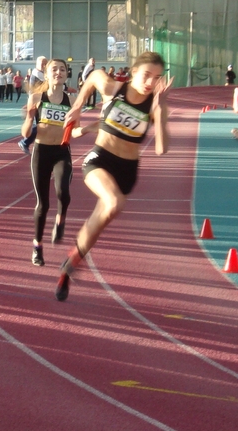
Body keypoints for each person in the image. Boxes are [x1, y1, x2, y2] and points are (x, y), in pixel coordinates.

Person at [56, 52, 172, 301]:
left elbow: (161, 149)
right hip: (100, 160)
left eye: (157, 78)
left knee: (99, 220)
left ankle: (71, 262)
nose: (150, 82)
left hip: (127, 171)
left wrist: (160, 110)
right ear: (133, 72)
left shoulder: (155, 104)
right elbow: (92, 78)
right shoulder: (114, 88)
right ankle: (72, 262)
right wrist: (77, 107)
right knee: (113, 202)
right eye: (146, 75)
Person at [21, 59, 75, 267]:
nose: (58, 72)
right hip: (41, 151)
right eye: (54, 69)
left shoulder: (72, 100)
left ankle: (61, 219)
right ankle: (37, 246)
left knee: (63, 192)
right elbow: (25, 133)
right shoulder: (36, 97)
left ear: (67, 74)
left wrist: (90, 129)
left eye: (62, 69)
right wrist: (29, 118)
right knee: (43, 204)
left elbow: (76, 130)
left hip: (62, 151)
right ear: (46, 74)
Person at [19, 56, 48, 155]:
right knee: (41, 124)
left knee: (43, 124)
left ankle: (30, 143)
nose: (44, 65)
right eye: (42, 63)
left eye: (46, 63)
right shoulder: (37, 73)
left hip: (40, 101)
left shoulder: (41, 73)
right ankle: (25, 142)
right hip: (36, 102)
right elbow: (49, 83)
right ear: (37, 64)